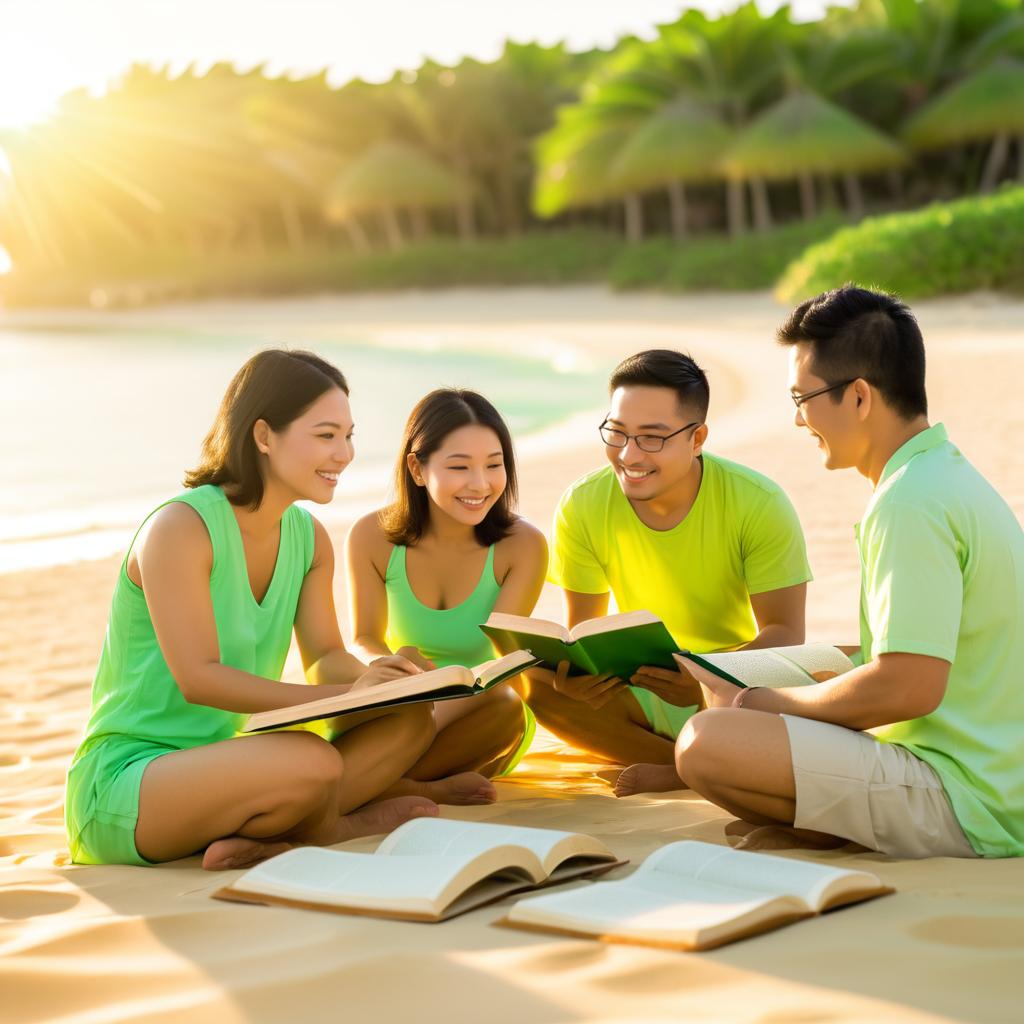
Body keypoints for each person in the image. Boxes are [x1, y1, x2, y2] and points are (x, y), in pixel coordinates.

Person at [675, 285, 1024, 859]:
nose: (797, 419)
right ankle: (825, 820)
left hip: (965, 796)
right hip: (991, 775)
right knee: (742, 692)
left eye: (802, 398)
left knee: (705, 742)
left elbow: (911, 685)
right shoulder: (944, 476)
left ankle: (834, 825)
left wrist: (775, 703)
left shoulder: (909, 504)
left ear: (858, 397)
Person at [65, 349, 441, 872]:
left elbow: (328, 654)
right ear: (264, 437)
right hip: (130, 783)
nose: (345, 453)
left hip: (232, 763)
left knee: (410, 722)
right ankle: (332, 826)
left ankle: (267, 832)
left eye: (349, 436)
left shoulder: (308, 539)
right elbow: (199, 679)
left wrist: (388, 683)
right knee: (308, 761)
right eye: (326, 435)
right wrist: (346, 696)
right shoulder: (181, 529)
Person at [527, 349, 811, 790]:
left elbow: (786, 633)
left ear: (697, 438)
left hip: (734, 688)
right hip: (643, 691)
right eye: (616, 433)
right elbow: (583, 630)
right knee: (537, 689)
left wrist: (703, 677)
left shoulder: (759, 502)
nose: (629, 454)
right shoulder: (582, 503)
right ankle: (682, 767)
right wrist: (577, 680)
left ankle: (694, 760)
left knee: (814, 684)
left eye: (652, 438)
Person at [346, 388, 547, 803]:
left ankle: (371, 786)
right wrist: (389, 665)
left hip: (475, 712)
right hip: (400, 698)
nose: (480, 484)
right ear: (417, 469)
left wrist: (432, 706)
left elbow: (501, 662)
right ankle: (410, 789)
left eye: (495, 465)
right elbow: (363, 637)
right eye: (460, 467)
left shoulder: (523, 545)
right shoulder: (371, 536)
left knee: (505, 702)